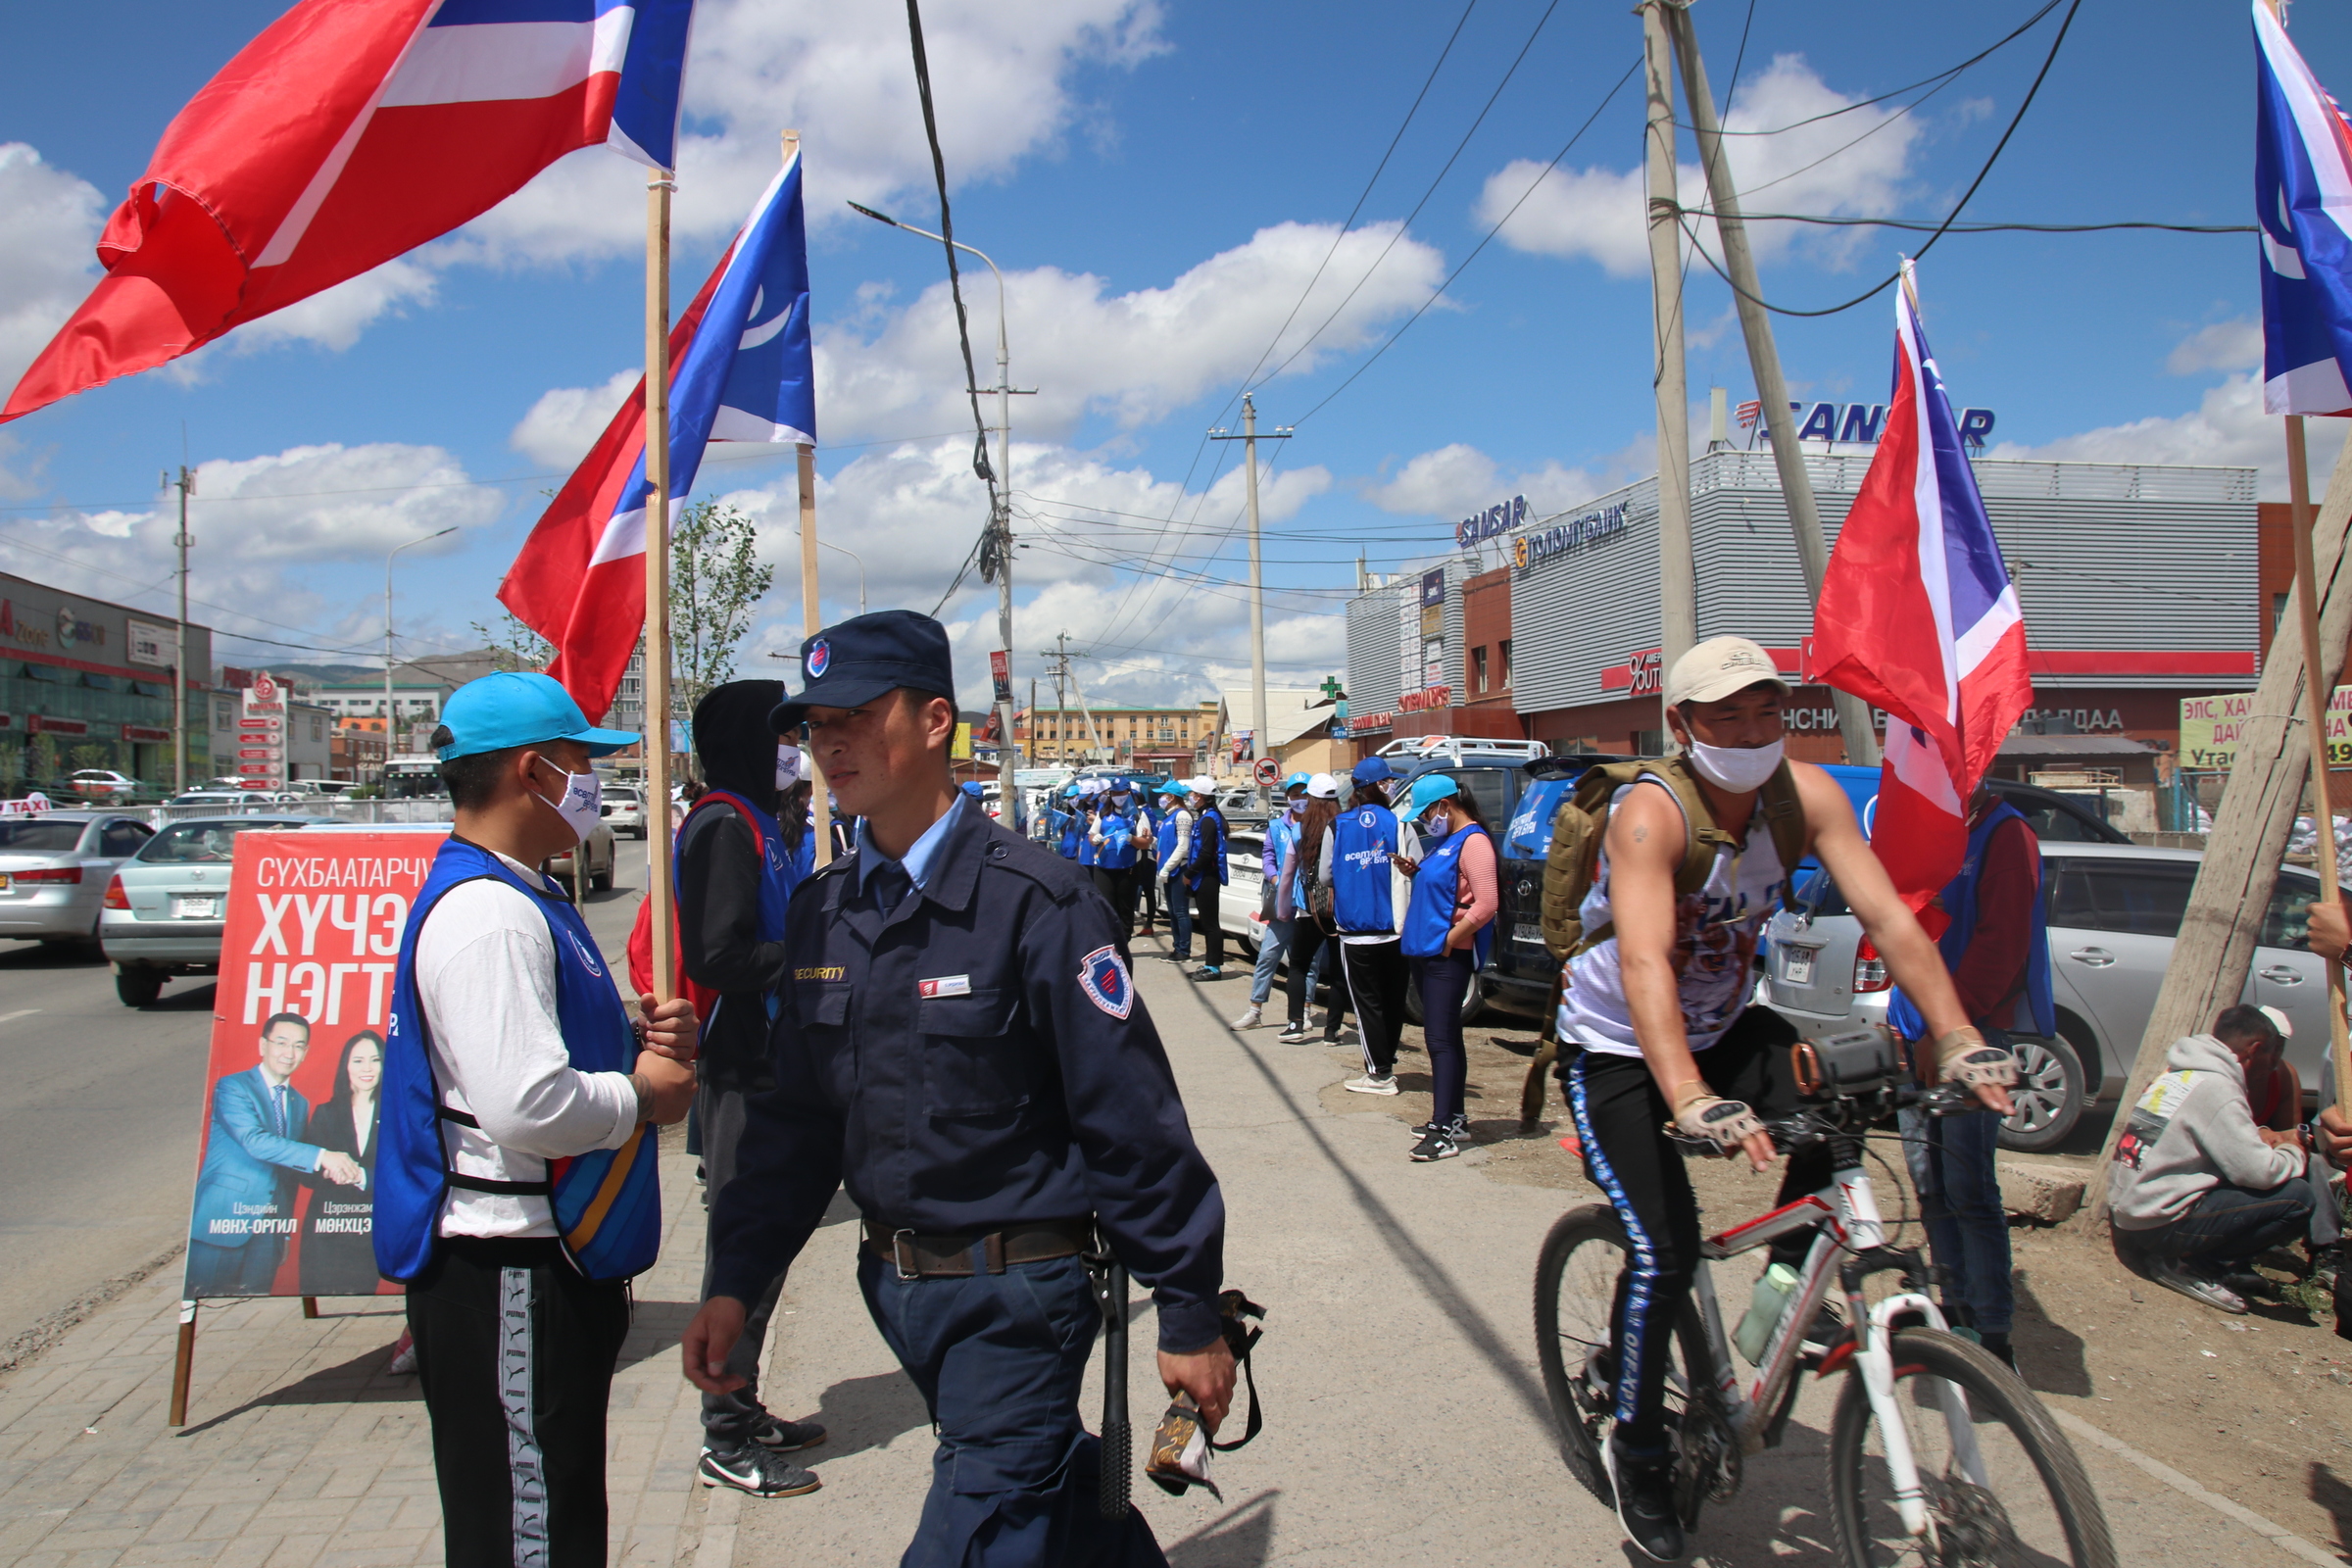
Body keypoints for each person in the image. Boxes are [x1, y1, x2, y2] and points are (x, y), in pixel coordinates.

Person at [685, 611, 1235, 1566]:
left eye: (855, 715)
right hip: (903, 1296)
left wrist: (1187, 1307)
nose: (830, 744)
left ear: (936, 720)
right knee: (1048, 1486)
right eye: (815, 726)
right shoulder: (823, 913)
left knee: (977, 1520)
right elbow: (795, 1130)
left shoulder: (1038, 901)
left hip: (1019, 1294)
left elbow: (1131, 1119)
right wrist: (735, 1281)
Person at [1556, 636, 2014, 1564]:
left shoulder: (1804, 796)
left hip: (1727, 1028)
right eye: (1727, 715)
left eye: (1767, 709)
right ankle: (1637, 1449)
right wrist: (1687, 1096)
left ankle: (1778, 1300)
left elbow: (1888, 915)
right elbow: (1645, 961)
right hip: (1616, 1049)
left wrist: (1957, 1036)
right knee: (1664, 1245)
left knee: (1848, 1105)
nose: (1753, 729)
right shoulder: (1652, 815)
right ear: (1682, 727)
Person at [375, 671, 700, 1568]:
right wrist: (644, 1096)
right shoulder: (488, 913)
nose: (594, 781)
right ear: (532, 772)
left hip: (547, 1258)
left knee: (553, 1517)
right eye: (580, 762)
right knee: (530, 1533)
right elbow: (525, 1104)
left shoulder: (524, 891)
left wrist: (633, 1037)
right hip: (508, 1268)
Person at [672, 680, 825, 1498]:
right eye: (780, 736)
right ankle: (724, 1437)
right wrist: (813, 962)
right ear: (741, 741)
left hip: (772, 1053)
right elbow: (716, 954)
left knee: (764, 1249)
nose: (793, 751)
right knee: (742, 1251)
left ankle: (746, 1403)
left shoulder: (758, 819)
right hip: (741, 1061)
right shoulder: (725, 824)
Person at [1886, 783, 2053, 1368]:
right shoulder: (1924, 826)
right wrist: (1904, 1021)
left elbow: (2000, 947)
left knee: (1969, 1188)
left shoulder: (2005, 835)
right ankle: (1952, 1314)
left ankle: (1994, 1334)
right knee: (1929, 1183)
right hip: (1913, 1034)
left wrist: (1944, 1030)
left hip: (1972, 1036)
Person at [2110, 1004, 2318, 1313]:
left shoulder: (2180, 1073)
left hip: (2129, 1213)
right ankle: (2191, 1266)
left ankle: (2200, 1260)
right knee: (2299, 1198)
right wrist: (2293, 1149)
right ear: (2256, 1049)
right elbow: (2259, 1172)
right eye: (2271, 1055)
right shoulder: (2218, 1088)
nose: (2273, 1066)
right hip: (2156, 1224)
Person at [188, 1012, 362, 1297]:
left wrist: (283, 1229)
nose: (288, 1053)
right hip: (223, 1222)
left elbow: (289, 1167)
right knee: (206, 1295)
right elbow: (254, 1141)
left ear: (305, 1053)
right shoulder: (232, 1087)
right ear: (263, 1045)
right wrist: (324, 1156)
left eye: (298, 1046)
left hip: (269, 1233)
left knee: (254, 1301)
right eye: (281, 1043)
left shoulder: (299, 1102)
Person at [1396, 773, 1497, 1162]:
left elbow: (1486, 903)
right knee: (1446, 1036)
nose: (1425, 821)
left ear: (1446, 805)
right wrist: (1414, 873)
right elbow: (1448, 886)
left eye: (1426, 813)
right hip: (1428, 950)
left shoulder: (1474, 842)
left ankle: (1443, 1133)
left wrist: (1452, 939)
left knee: (1440, 1041)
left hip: (1446, 955)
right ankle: (1454, 1119)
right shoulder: (1445, 842)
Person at [1320, 757, 1417, 1095]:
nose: (1391, 786)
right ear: (1377, 786)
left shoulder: (1337, 826)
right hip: (1395, 927)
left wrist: (1352, 879)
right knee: (1392, 1000)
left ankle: (1379, 1074)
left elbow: (1324, 876)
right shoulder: (1401, 825)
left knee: (1367, 1004)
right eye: (1387, 781)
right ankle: (1384, 1063)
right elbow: (1416, 873)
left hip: (1355, 930)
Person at [299, 1029, 387, 1297]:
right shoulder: (326, 1112)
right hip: (327, 1230)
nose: (367, 1068)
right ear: (346, 1066)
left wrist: (360, 1176)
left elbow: (402, 1169)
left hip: (373, 1227)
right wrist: (328, 1170)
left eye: (375, 1059)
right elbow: (306, 1176)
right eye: (358, 1060)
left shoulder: (396, 1113)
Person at [1235, 773, 1308, 1030]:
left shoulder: (1319, 824)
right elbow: (1268, 856)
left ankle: (1305, 1011)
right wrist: (1275, 878)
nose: (1301, 799)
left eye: (1305, 794)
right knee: (1268, 954)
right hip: (1282, 903)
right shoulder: (1277, 827)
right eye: (1295, 794)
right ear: (1288, 798)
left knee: (1308, 962)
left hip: (1310, 905)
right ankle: (1255, 1010)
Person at [1279, 774, 1348, 1044]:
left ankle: (1296, 1025)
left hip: (1309, 909)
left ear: (1311, 799)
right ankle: (1332, 1031)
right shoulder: (1345, 826)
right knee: (1340, 972)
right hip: (1341, 910)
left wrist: (1284, 909)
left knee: (1298, 966)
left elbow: (1287, 875)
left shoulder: (1300, 829)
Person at [1089, 777, 1144, 960]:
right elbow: (1092, 835)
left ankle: (1124, 942)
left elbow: (1145, 843)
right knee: (1106, 908)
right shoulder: (1103, 813)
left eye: (1122, 793)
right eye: (1115, 793)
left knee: (1125, 909)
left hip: (1126, 868)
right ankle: (1110, 946)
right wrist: (1095, 838)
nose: (1118, 797)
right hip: (1103, 868)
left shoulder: (1137, 815)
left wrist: (1130, 839)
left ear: (1128, 793)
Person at [1187, 777, 1230, 980]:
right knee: (1206, 922)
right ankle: (1209, 963)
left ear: (1201, 796)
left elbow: (1206, 853)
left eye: (1193, 794)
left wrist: (1189, 874)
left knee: (1211, 924)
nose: (1191, 797)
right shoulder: (1206, 816)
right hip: (1203, 876)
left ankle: (1214, 968)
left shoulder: (1209, 820)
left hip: (1207, 877)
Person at [1156, 780, 1197, 963]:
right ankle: (1177, 946)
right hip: (1168, 870)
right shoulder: (1167, 818)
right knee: (1172, 911)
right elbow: (1164, 845)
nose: (1161, 798)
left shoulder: (1182, 816)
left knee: (1180, 911)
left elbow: (1183, 846)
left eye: (1163, 795)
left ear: (1172, 797)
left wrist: (1167, 867)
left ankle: (1184, 950)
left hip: (1178, 870)